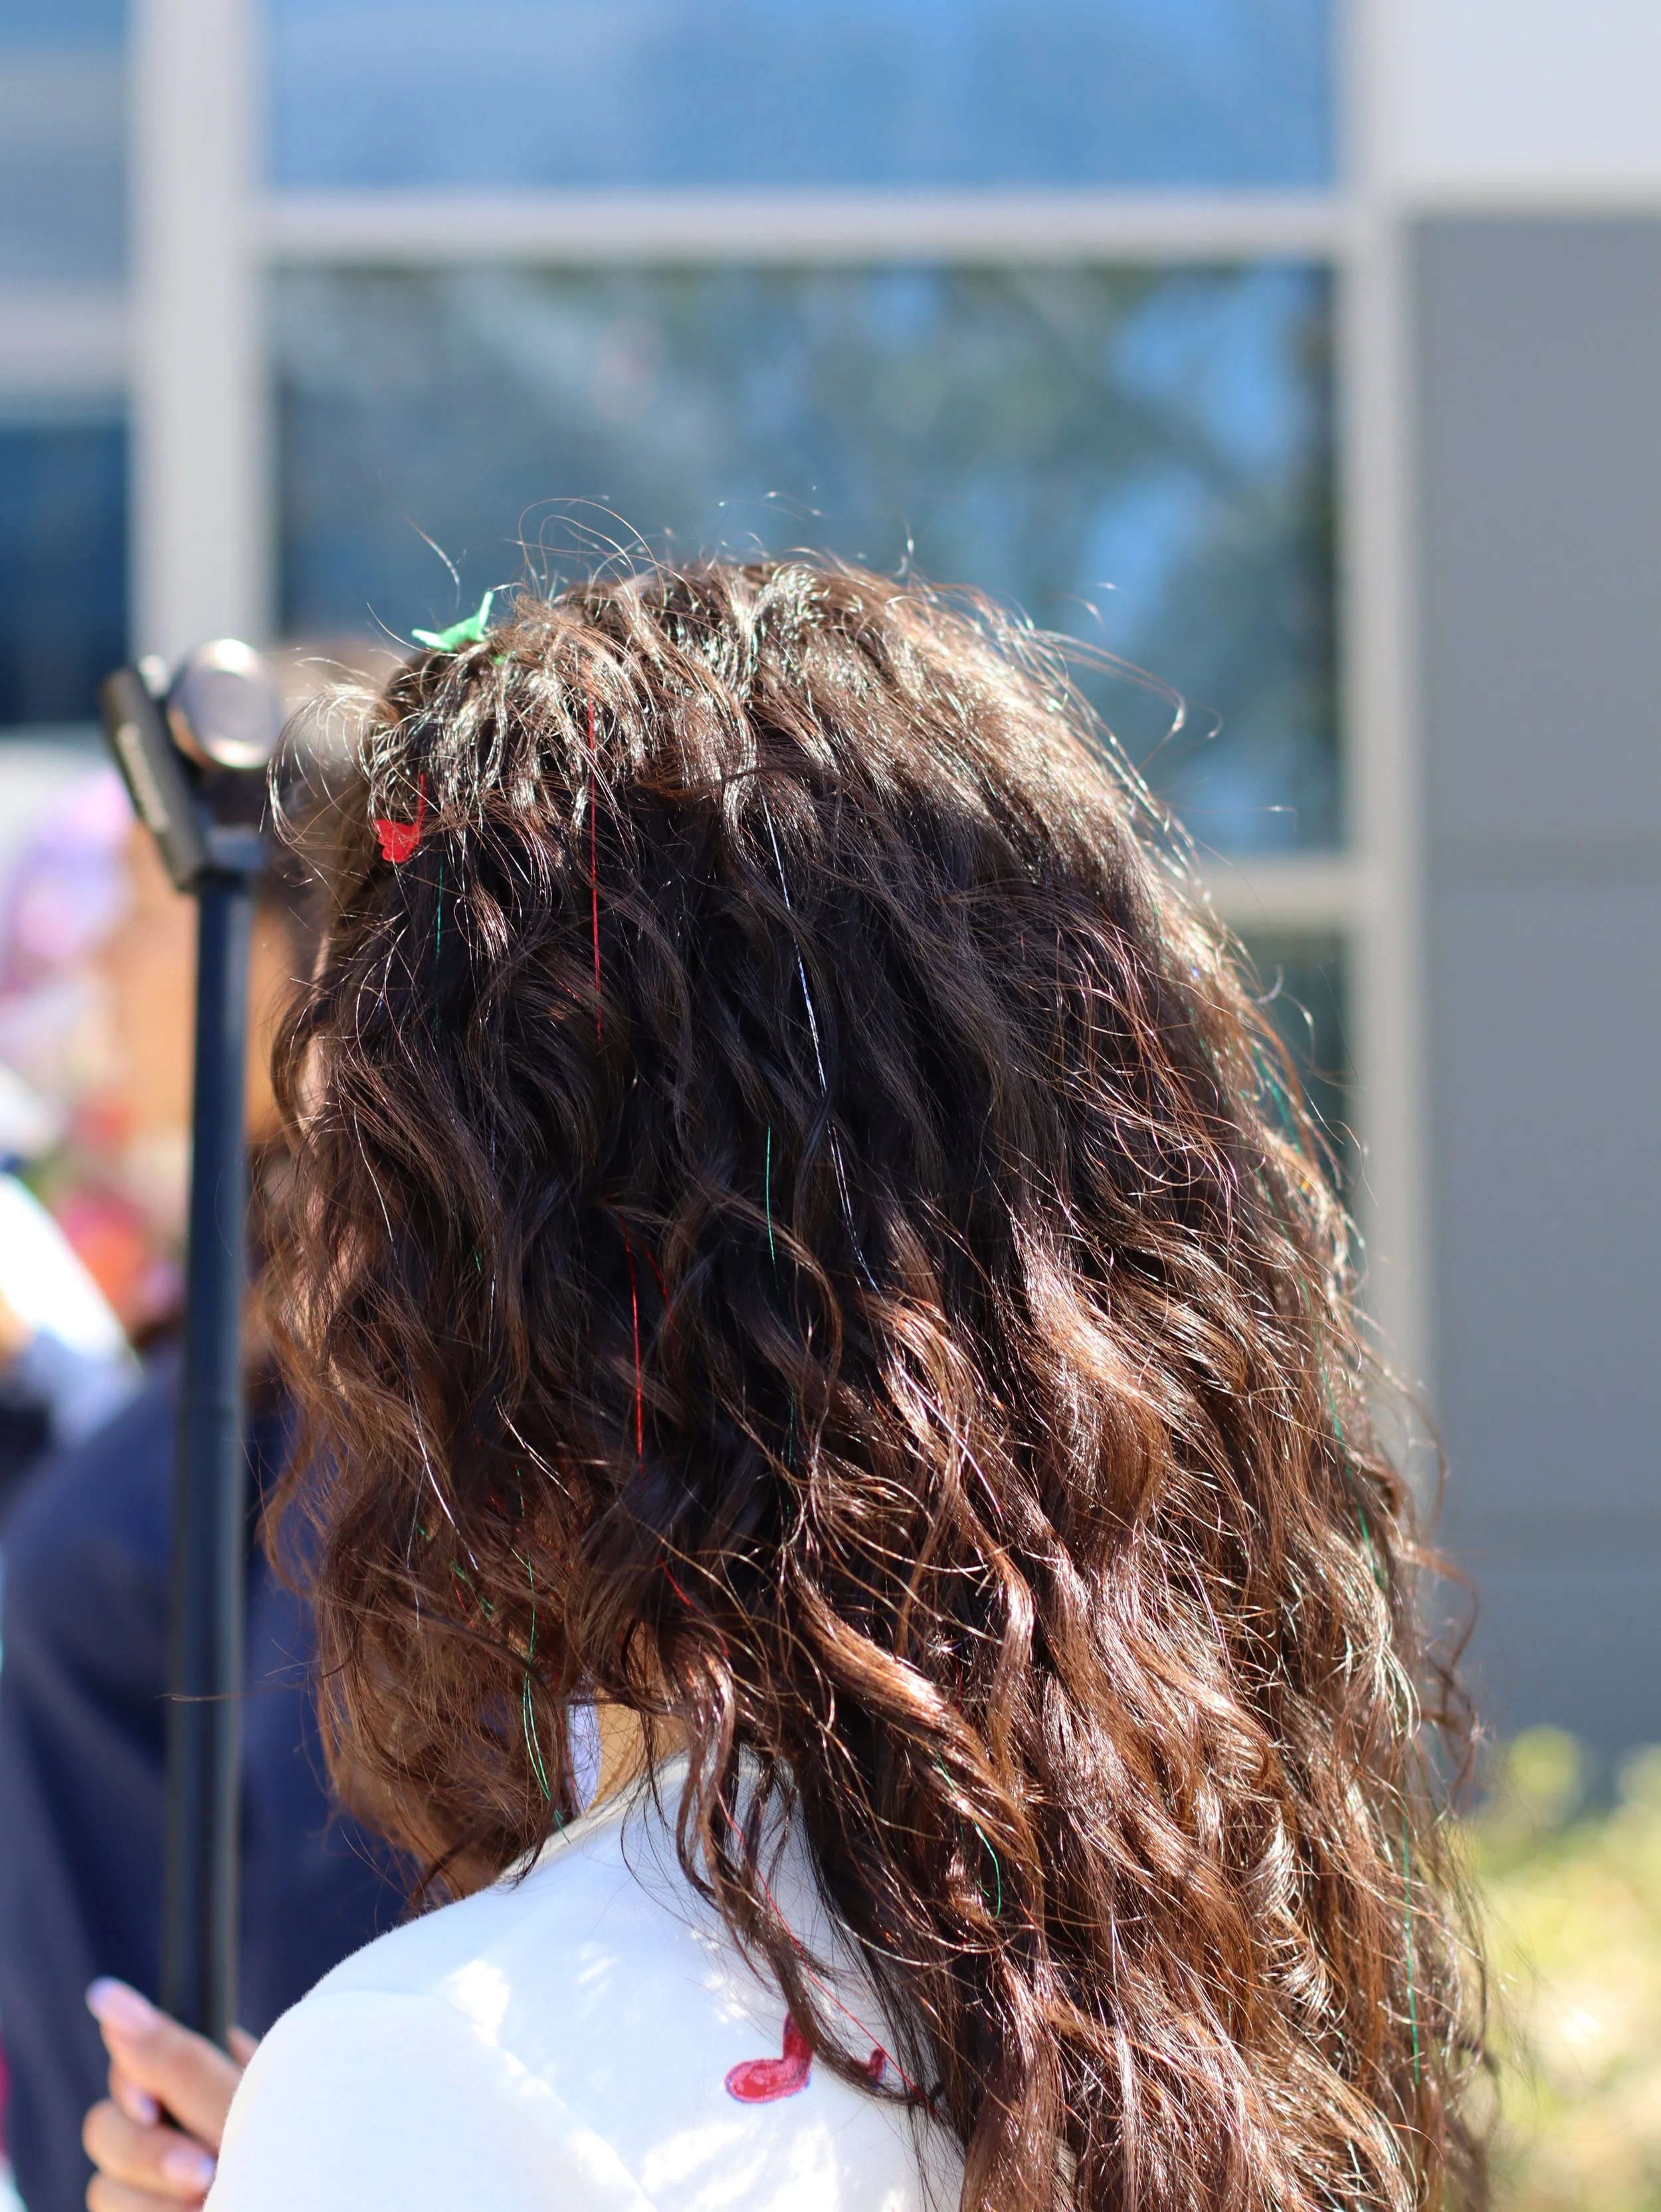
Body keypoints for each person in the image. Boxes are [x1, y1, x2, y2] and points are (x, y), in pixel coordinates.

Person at [84, 561, 1485, 2212]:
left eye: (362, 1162)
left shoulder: (457, 2067)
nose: (327, 1265)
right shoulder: (1210, 1956)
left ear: (514, 1285)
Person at [0, 781, 407, 2212]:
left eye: (143, 896)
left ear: (285, 944)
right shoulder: (262, 1308)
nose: (96, 954)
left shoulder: (376, 1370)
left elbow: (340, 1848)